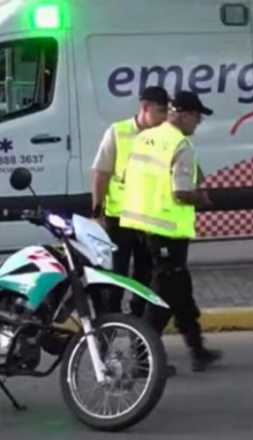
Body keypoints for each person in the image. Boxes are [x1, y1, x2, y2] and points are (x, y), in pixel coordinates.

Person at [120, 91, 223, 373]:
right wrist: (201, 198)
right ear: (186, 114)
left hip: (142, 226)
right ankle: (140, 359)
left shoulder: (146, 137)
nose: (198, 124)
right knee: (164, 298)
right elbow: (180, 193)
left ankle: (198, 349)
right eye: (198, 118)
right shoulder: (181, 144)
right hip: (167, 231)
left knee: (180, 288)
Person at [90, 86, 169, 316]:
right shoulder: (118, 131)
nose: (164, 117)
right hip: (119, 221)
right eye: (160, 111)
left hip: (150, 221)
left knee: (145, 280)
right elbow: (101, 173)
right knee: (115, 279)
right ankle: (109, 330)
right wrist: (97, 212)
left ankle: (139, 333)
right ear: (144, 107)